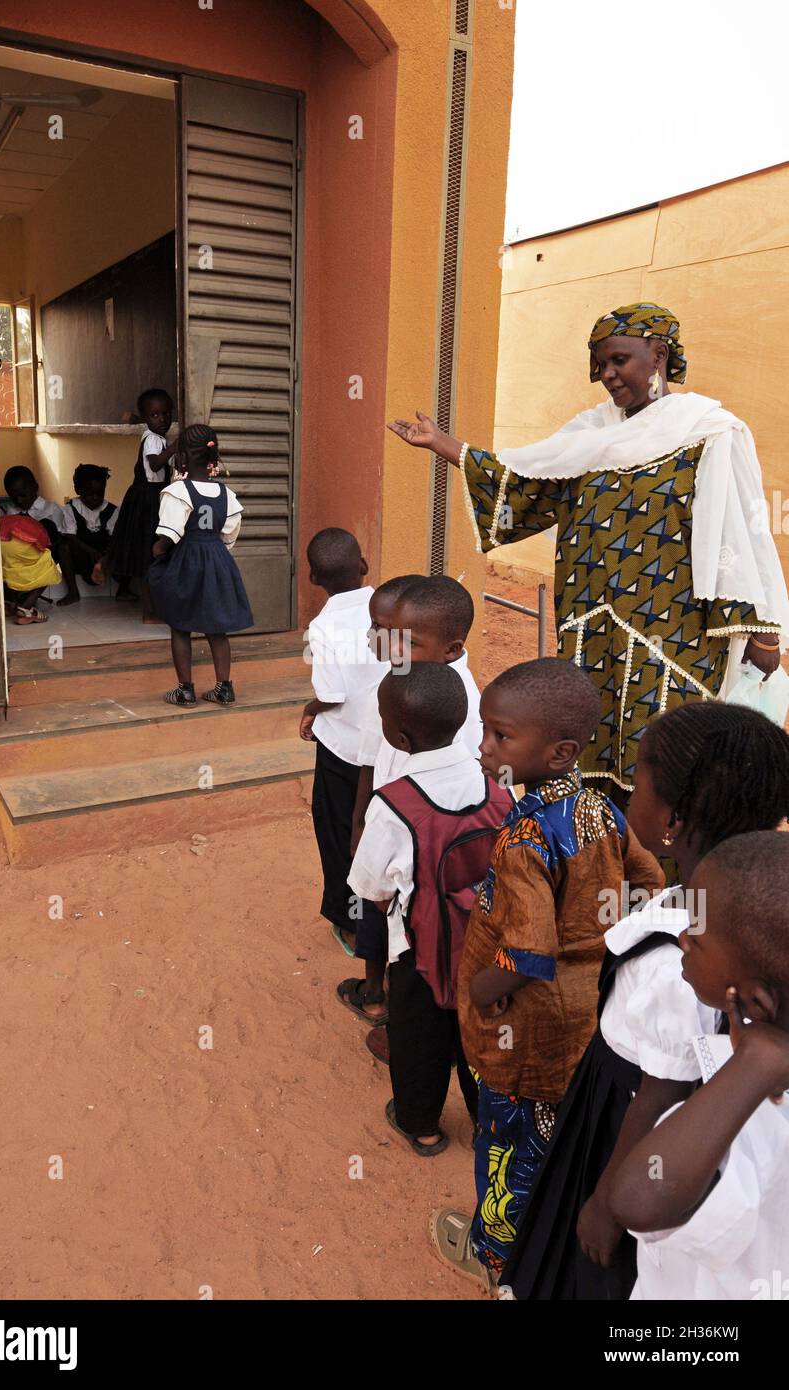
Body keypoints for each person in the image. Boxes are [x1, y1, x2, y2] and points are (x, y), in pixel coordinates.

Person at [389, 302, 789, 803]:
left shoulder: (708, 433)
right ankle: (589, 870)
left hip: (671, 636)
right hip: (590, 630)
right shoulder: (589, 436)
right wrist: (446, 447)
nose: (607, 375)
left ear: (659, 354)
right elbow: (530, 486)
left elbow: (740, 534)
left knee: (664, 764)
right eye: (600, 365)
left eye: (619, 360)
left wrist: (761, 633)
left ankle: (661, 876)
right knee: (583, 756)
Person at [503, 699, 789, 1301]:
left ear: (673, 821)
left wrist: (606, 1204)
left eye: (638, 784)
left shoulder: (676, 963)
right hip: (642, 1120)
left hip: (623, 1131)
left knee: (585, 1266)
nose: (629, 797)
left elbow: (658, 1091)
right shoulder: (740, 914)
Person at [431, 658, 662, 1290]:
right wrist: (603, 942)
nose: (483, 748)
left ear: (559, 752)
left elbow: (529, 953)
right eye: (485, 732)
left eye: (500, 737)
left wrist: (480, 991)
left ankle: (497, 1257)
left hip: (522, 1022)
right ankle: (542, 1240)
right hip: (584, 1010)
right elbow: (650, 884)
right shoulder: (601, 808)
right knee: (552, 1130)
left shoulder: (526, 835)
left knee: (505, 1139)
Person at [609, 831, 789, 1301]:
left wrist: (757, 1062)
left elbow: (636, 1199)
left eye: (698, 939)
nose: (683, 938)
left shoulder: (758, 1111)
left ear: (756, 1001)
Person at [347, 663, 513, 1156]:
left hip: (418, 952)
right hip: (489, 945)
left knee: (417, 1036)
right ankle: (488, 1125)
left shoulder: (393, 803)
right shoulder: (499, 786)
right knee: (478, 1034)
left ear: (397, 735)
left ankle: (422, 1126)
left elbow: (371, 889)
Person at [339, 574, 479, 1039]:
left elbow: (466, 783)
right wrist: (361, 820)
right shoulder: (398, 679)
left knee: (413, 937)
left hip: (422, 843)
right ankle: (376, 996)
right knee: (381, 916)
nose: (394, 649)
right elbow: (370, 756)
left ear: (452, 650)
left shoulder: (459, 703)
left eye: (409, 642)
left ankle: (399, 1025)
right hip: (387, 829)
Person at [300, 528, 386, 956]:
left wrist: (309, 710)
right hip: (386, 747)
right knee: (376, 828)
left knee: (337, 833)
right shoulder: (388, 606)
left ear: (313, 578)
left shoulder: (323, 626)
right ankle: (386, 912)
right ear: (364, 566)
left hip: (342, 752)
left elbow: (331, 694)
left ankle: (351, 924)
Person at [148, 424, 252, 705]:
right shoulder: (227, 495)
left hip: (186, 562)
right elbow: (229, 536)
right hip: (217, 561)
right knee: (216, 628)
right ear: (213, 457)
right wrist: (214, 553)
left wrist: (157, 550)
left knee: (180, 625)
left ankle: (185, 689)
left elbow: (169, 533)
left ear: (181, 456)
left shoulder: (177, 492)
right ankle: (224, 688)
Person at [106, 388, 179, 620]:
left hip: (150, 497)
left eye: (166, 414)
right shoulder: (153, 440)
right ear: (147, 418)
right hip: (147, 501)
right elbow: (156, 465)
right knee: (151, 556)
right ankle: (149, 612)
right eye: (155, 415)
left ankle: (156, 607)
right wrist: (173, 449)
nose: (162, 419)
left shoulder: (155, 436)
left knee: (152, 555)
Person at [57, 464, 120, 606]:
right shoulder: (70, 508)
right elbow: (70, 536)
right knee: (63, 547)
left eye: (100, 493)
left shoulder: (112, 510)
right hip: (81, 555)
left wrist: (104, 557)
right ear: (78, 490)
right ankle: (73, 592)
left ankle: (123, 588)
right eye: (90, 494)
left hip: (104, 556)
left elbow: (114, 538)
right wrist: (90, 551)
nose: (95, 498)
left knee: (124, 544)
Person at [0, 512, 62, 624]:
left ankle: (7, 604)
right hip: (17, 544)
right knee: (48, 570)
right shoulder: (42, 531)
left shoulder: (25, 520)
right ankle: (26, 610)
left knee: (7, 568)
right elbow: (45, 548)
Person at [1, 465, 65, 545]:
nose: (19, 501)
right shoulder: (11, 512)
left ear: (35, 487)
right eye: (14, 497)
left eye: (23, 495)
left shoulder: (52, 509)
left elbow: (58, 541)